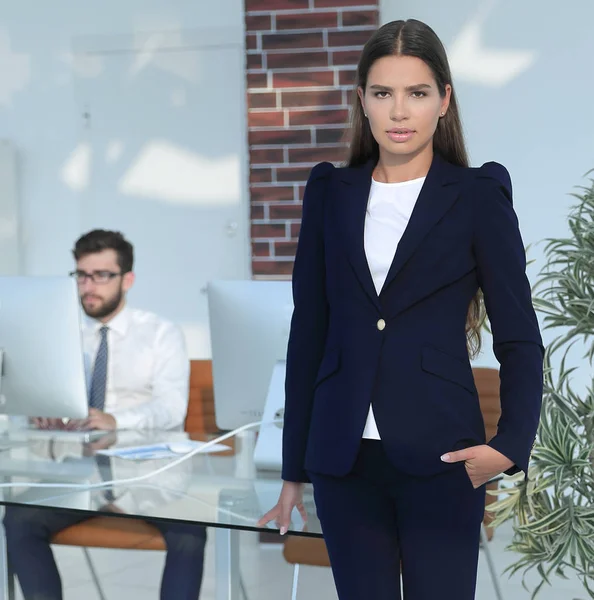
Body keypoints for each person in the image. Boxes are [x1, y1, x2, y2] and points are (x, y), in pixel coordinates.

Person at [258, 19, 544, 600]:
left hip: (444, 457)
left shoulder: (477, 195)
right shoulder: (329, 193)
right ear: (361, 101)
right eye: (383, 93)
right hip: (344, 461)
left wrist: (511, 446)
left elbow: (519, 333)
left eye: (416, 93)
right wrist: (293, 469)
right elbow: (308, 331)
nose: (399, 110)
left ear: (443, 100)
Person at [4, 229, 208, 600]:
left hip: (149, 475)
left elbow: (171, 408)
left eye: (101, 275)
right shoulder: (60, 333)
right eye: (81, 275)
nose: (88, 286)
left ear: (126, 279)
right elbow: (36, 396)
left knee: (189, 531)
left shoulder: (160, 333)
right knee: (18, 519)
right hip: (78, 475)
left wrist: (114, 419)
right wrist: (42, 412)